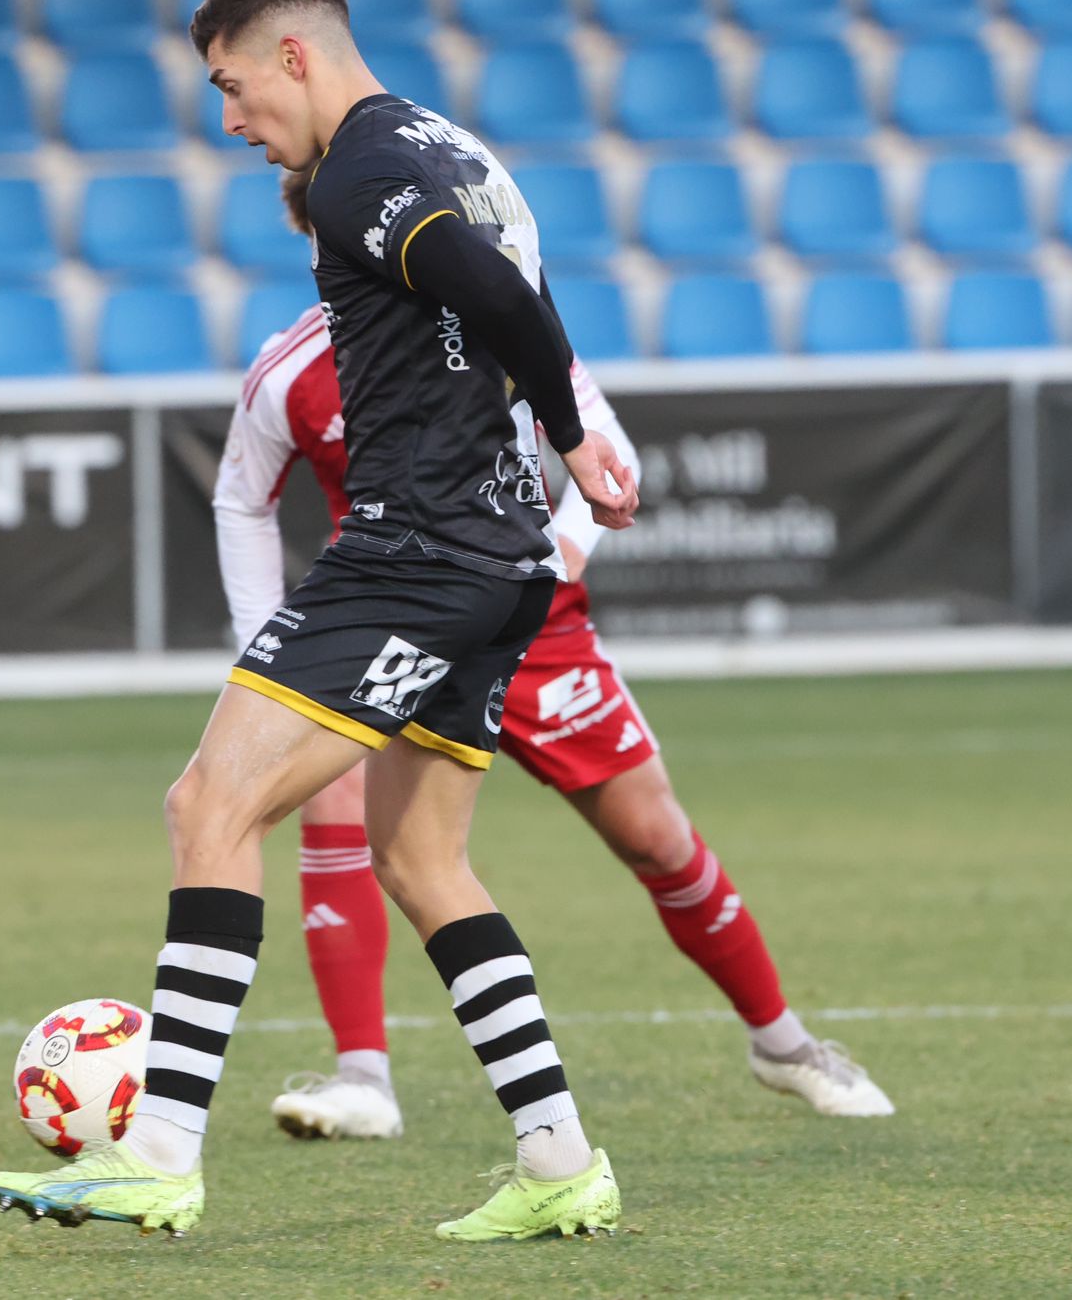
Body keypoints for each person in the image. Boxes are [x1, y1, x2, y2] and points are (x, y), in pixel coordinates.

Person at [0, 0, 640, 1242]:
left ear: (294, 53)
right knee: (421, 854)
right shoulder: (456, 145)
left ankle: (161, 1146)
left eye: (232, 88)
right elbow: (522, 270)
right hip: (503, 560)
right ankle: (561, 1158)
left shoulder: (352, 170)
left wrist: (569, 429)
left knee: (207, 803)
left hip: (417, 550)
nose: (232, 122)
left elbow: (497, 291)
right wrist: (572, 444)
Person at [221, 171, 894, 1145]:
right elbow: (238, 499)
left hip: (527, 617)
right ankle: (362, 1075)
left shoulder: (489, 313)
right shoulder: (289, 371)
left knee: (652, 835)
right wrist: (264, 647)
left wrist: (559, 554)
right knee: (333, 806)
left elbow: (599, 444)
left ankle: (781, 1043)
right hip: (389, 617)